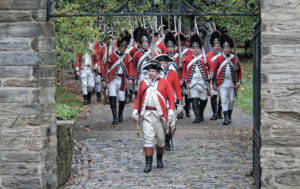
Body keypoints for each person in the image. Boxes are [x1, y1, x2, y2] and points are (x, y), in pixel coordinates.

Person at [132, 60, 175, 173]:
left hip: (160, 116)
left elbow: (171, 98)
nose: (150, 73)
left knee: (161, 140)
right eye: (149, 71)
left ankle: (159, 158)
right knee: (148, 139)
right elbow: (139, 98)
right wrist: (135, 111)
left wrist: (170, 113)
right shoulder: (143, 83)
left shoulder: (164, 82)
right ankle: (148, 164)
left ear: (157, 72)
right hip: (146, 115)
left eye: (153, 71)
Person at [102, 31, 132, 125]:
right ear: (118, 46)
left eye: (124, 47)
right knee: (112, 97)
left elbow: (130, 68)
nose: (123, 49)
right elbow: (105, 68)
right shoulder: (111, 56)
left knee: (122, 99)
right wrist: (104, 79)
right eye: (122, 47)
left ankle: (120, 115)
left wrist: (130, 78)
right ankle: (114, 117)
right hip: (112, 80)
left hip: (122, 80)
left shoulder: (127, 57)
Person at [155, 54, 183, 151]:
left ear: (168, 64)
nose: (163, 64)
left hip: (171, 102)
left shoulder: (173, 73)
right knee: (160, 123)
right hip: (159, 102)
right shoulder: (156, 74)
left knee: (172, 124)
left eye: (165, 63)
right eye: (162, 63)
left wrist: (180, 103)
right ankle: (163, 141)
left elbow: (178, 89)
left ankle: (168, 139)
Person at [183, 34, 214, 123]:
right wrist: (185, 78)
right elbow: (185, 70)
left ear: (200, 49)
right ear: (192, 49)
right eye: (194, 48)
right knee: (194, 99)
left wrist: (211, 74)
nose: (195, 49)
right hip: (192, 82)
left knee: (204, 99)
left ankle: (201, 113)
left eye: (197, 48)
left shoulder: (205, 57)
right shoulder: (188, 58)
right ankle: (197, 117)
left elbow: (211, 67)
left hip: (203, 82)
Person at [213, 34, 242, 125]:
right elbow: (214, 71)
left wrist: (239, 81)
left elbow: (239, 72)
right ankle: (226, 118)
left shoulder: (234, 59)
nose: (227, 50)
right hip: (222, 83)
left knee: (232, 100)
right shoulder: (218, 59)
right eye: (226, 48)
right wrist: (214, 83)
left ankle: (229, 115)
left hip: (232, 83)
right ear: (223, 49)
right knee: (224, 99)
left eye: (228, 48)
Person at [130, 27, 159, 92]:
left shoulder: (154, 53)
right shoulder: (137, 54)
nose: (143, 44)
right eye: (142, 42)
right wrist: (135, 77)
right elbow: (134, 67)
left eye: (145, 42)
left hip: (151, 75)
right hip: (141, 75)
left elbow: (157, 65)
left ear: (148, 42)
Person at [175, 32, 193, 118]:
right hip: (178, 75)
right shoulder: (175, 53)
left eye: (182, 45)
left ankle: (187, 109)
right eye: (179, 45)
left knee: (187, 94)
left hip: (187, 74)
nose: (180, 47)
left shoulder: (189, 52)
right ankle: (180, 111)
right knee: (180, 94)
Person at [206, 31, 223, 120]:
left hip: (221, 78)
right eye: (215, 46)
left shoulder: (223, 55)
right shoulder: (208, 55)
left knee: (222, 96)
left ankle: (220, 112)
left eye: (218, 46)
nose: (217, 47)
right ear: (212, 47)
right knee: (213, 96)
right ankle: (214, 113)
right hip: (212, 78)